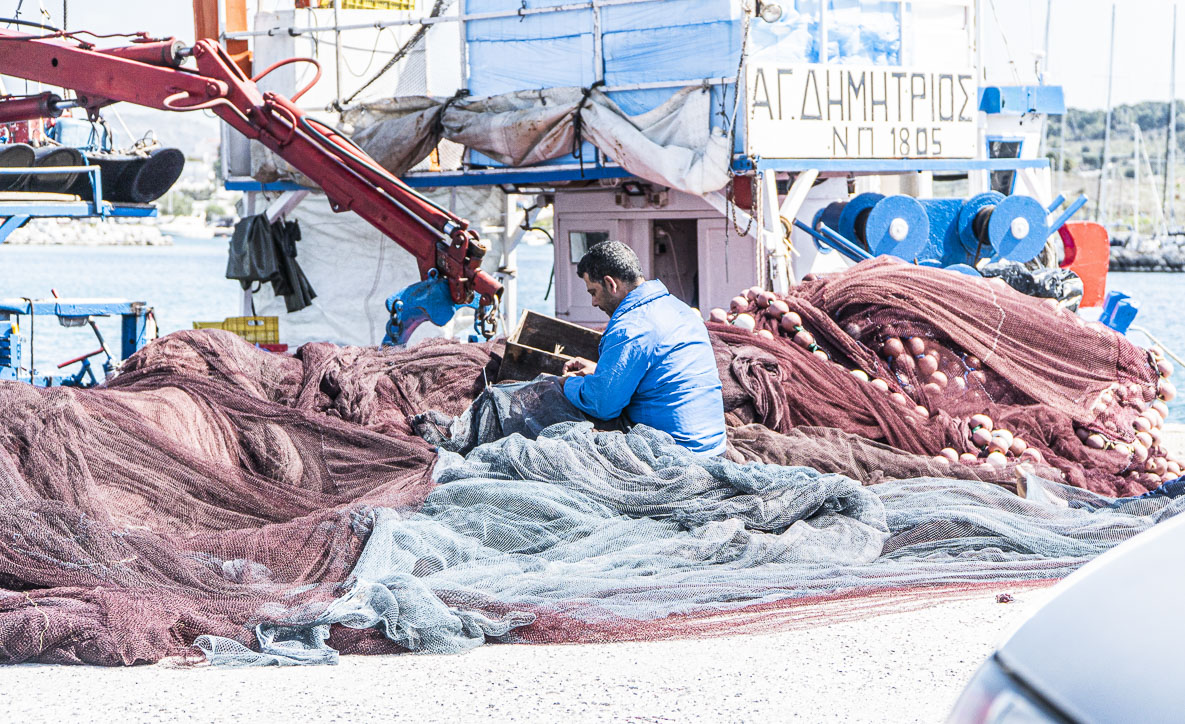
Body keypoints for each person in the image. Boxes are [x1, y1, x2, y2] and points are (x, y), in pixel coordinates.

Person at [561, 240, 727, 456]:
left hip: (674, 457)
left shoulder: (630, 327)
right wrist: (599, 369)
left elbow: (602, 404)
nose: (593, 302)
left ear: (611, 284)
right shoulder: (679, 308)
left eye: (593, 292)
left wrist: (568, 383)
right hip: (713, 448)